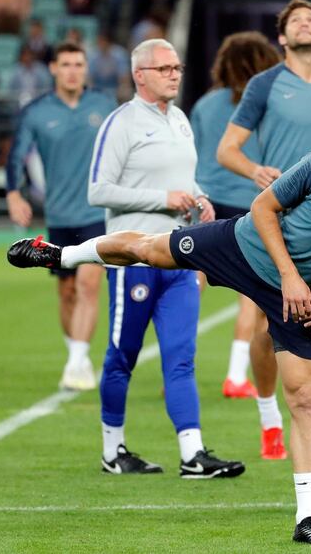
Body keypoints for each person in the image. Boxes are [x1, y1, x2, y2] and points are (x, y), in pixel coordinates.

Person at [8, 113, 311, 545]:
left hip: (300, 295)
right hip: (241, 247)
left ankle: (308, 519)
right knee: (150, 251)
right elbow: (264, 207)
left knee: (305, 399)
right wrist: (288, 274)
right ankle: (62, 256)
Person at [86, 38, 245, 478]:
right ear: (140, 75)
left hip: (177, 257)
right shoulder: (122, 123)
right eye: (165, 68)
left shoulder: (178, 119)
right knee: (123, 356)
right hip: (131, 258)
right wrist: (162, 199)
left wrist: (199, 198)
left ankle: (193, 454)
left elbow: (182, 179)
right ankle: (112, 450)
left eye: (177, 66)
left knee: (181, 357)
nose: (175, 73)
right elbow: (98, 190)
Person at [217, 0, 311, 461]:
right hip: (277, 219)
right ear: (283, 37)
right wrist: (254, 171)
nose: (304, 24)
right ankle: (270, 420)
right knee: (263, 327)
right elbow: (227, 150)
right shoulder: (265, 84)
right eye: (295, 20)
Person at [6, 41, 118, 391]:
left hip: (97, 213)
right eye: (66, 64)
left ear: (86, 68)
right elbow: (17, 155)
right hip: (59, 214)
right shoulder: (37, 112)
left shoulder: (104, 104)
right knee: (67, 292)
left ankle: (74, 363)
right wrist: (13, 193)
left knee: (88, 284)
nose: (73, 70)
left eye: (78, 64)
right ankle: (80, 358)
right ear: (53, 68)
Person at [190, 31, 281, 399]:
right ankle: (236, 375)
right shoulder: (268, 103)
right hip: (250, 204)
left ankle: (175, 370)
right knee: (252, 295)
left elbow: (194, 153)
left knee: (186, 295)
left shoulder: (205, 104)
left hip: (207, 205)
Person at [88, 32, 130, 101]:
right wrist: (91, 90)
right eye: (99, 42)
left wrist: (122, 88)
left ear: (109, 43)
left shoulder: (120, 54)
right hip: (97, 88)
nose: (100, 45)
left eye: (103, 42)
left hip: (115, 89)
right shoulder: (92, 54)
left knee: (125, 92)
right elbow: (89, 78)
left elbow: (124, 77)